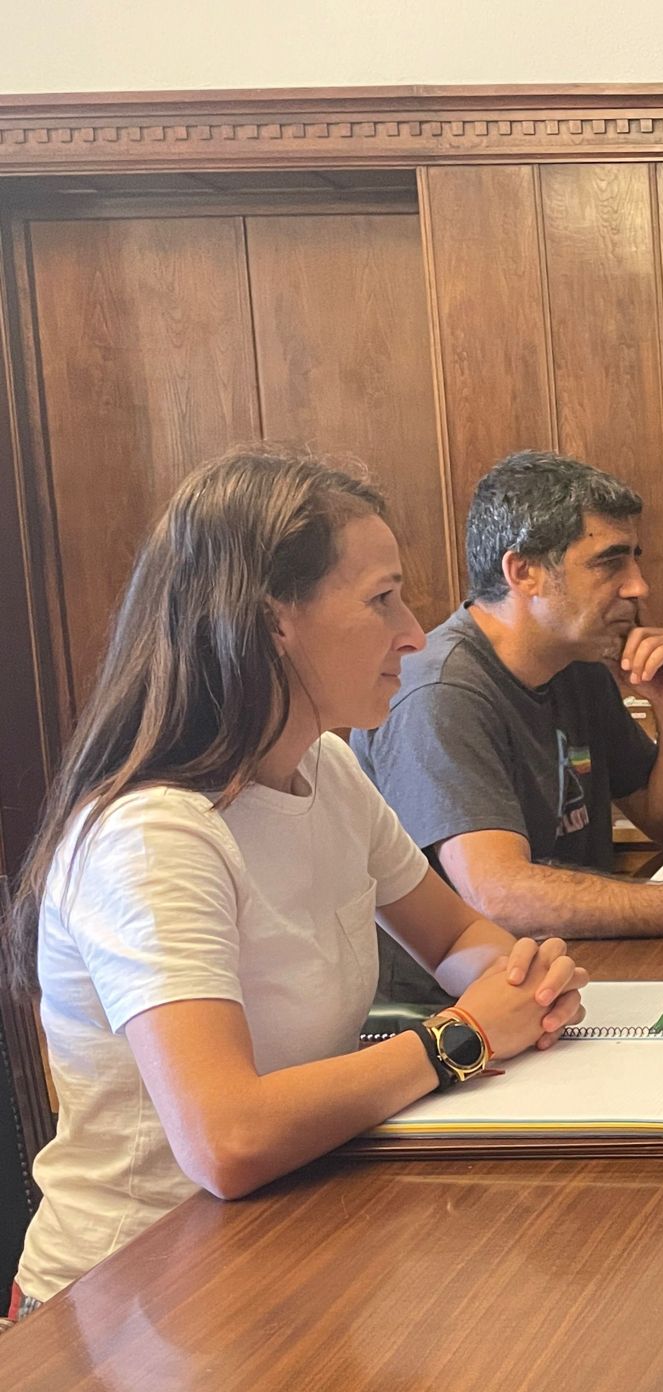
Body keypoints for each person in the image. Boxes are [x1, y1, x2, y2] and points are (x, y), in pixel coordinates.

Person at [5, 448, 588, 1322]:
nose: (414, 633)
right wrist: (461, 1039)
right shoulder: (154, 834)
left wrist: (517, 983)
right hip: (127, 1303)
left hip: (273, 1243)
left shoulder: (325, 768)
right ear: (274, 618)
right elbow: (226, 1138)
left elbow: (455, 935)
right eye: (381, 597)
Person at [353, 452, 663, 972]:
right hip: (459, 1012)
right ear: (525, 573)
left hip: (574, 969)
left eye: (635, 558)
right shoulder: (441, 690)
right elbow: (497, 895)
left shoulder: (575, 662)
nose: (638, 585)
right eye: (611, 562)